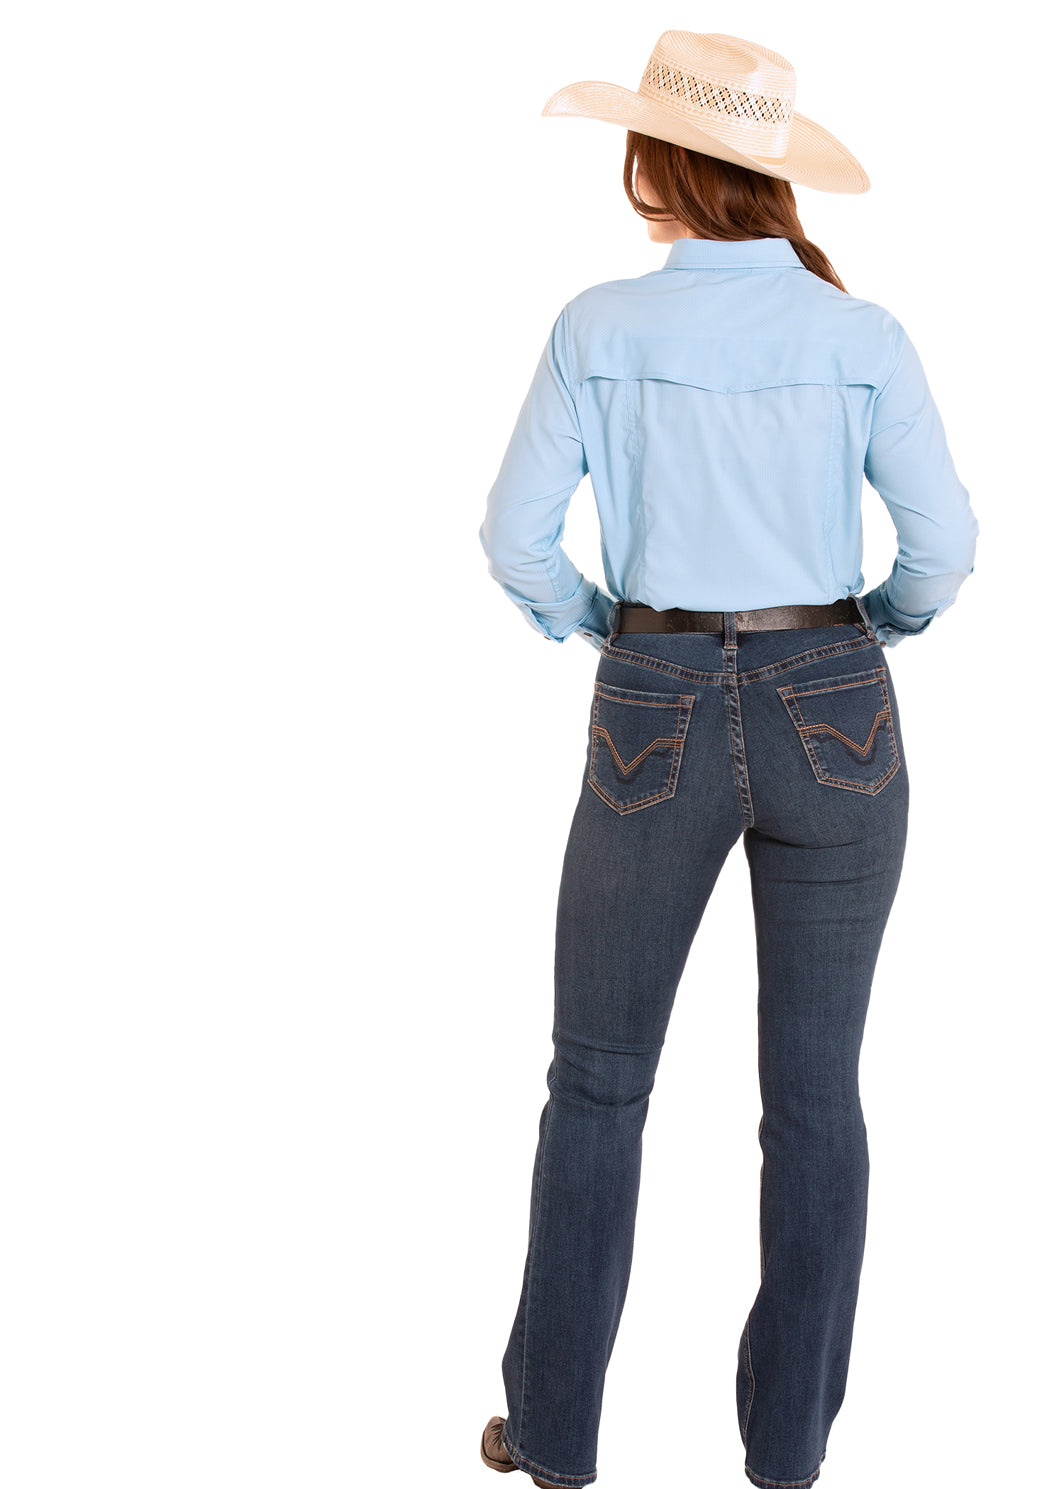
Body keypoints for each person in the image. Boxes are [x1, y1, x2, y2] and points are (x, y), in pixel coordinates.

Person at [476, 31, 979, 1489]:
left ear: (653, 166)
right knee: (816, 1098)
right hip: (839, 703)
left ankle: (554, 1438)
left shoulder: (594, 325)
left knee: (597, 1079)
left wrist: (605, 630)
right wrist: (872, 630)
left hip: (656, 694)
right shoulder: (860, 334)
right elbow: (945, 548)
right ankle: (788, 1450)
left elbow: (513, 538)